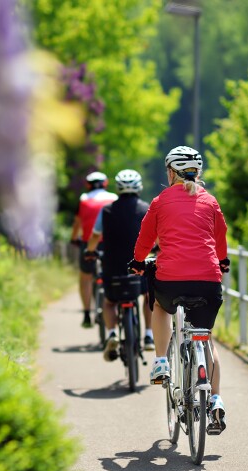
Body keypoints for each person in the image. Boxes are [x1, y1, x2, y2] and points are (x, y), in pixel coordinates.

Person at [128, 146, 230, 434]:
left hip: (171, 279)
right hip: (208, 282)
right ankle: (216, 399)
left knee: (160, 306)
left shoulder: (160, 201)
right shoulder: (210, 201)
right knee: (206, 338)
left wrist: (137, 262)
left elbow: (145, 238)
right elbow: (220, 238)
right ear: (198, 173)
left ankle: (161, 361)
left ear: (171, 172)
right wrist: (221, 262)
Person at [85, 169, 154, 361]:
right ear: (139, 187)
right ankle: (148, 335)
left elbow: (96, 236)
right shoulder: (145, 208)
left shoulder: (106, 210)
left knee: (109, 301)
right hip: (138, 266)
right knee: (148, 296)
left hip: (112, 266)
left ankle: (112, 334)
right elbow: (153, 236)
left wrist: (90, 251)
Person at [70, 171, 118, 328]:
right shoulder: (113, 198)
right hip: (110, 243)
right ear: (105, 184)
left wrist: (73, 238)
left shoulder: (83, 199)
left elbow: (77, 222)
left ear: (88, 185)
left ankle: (86, 313)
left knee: (85, 277)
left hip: (89, 243)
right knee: (112, 274)